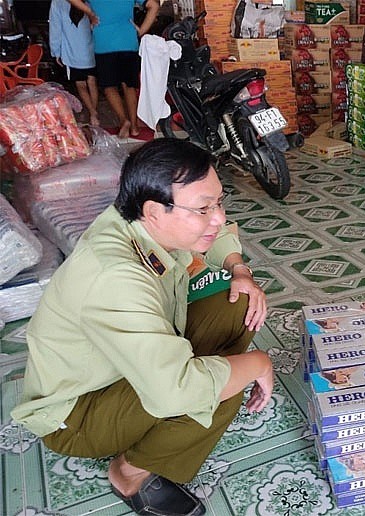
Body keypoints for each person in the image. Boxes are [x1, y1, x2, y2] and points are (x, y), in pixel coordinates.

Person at [11, 139, 274, 516]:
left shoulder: (134, 218)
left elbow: (213, 237)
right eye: (203, 208)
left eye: (219, 202)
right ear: (153, 210)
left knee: (240, 301)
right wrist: (258, 363)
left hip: (121, 366)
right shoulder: (117, 274)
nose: (217, 217)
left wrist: (240, 269)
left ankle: (162, 424)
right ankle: (130, 472)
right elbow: (178, 390)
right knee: (218, 385)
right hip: (77, 413)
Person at [67, 0, 159, 139]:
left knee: (109, 86)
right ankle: (134, 127)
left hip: (104, 43)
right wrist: (141, 31)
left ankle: (124, 120)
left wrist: (90, 12)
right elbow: (154, 6)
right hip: (128, 41)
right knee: (129, 86)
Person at [49, 0, 99, 126]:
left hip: (72, 52)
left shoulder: (57, 3)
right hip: (90, 49)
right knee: (92, 82)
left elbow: (55, 29)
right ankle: (95, 112)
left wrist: (56, 52)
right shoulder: (89, 2)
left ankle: (93, 113)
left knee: (81, 85)